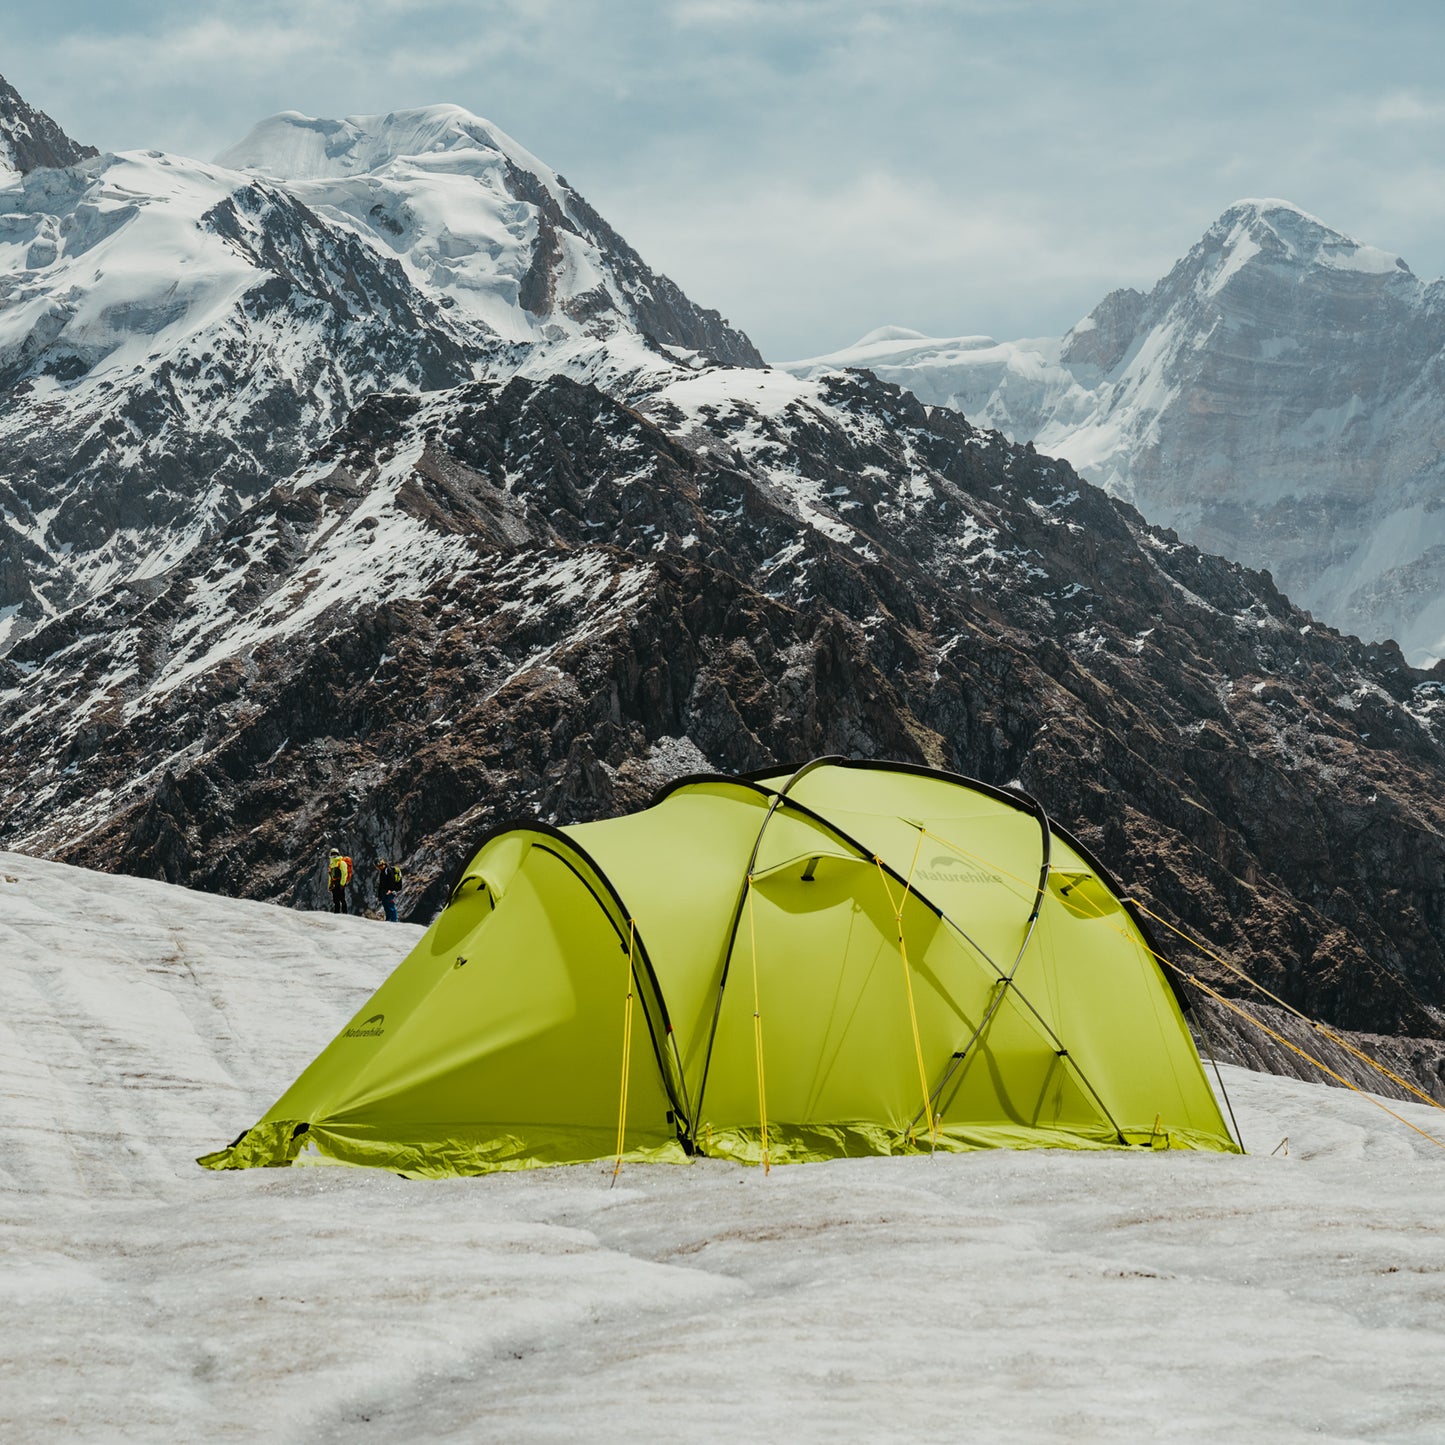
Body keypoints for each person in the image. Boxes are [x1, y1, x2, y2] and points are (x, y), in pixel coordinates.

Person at [374, 858, 403, 922]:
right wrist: (379, 895)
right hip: (385, 891)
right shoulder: (383, 871)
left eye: (380, 866)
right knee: (386, 905)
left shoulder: (388, 870)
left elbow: (391, 881)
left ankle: (394, 920)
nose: (379, 867)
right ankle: (389, 919)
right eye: (378, 866)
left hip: (389, 891)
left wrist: (390, 890)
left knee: (390, 905)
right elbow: (381, 884)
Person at [327, 847, 352, 913]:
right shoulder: (332, 864)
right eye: (332, 854)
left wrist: (342, 884)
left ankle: (344, 913)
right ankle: (337, 912)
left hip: (339, 883)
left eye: (334, 854)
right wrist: (330, 885)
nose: (333, 855)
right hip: (335, 883)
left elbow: (344, 873)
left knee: (341, 899)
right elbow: (330, 876)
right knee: (336, 900)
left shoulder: (341, 863)